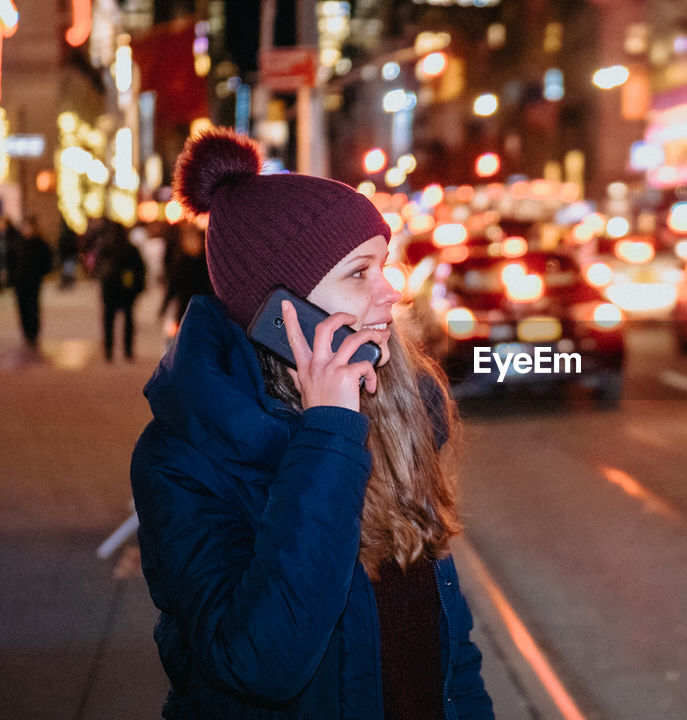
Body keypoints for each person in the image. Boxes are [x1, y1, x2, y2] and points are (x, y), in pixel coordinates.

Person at [130, 128, 493, 719]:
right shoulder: (183, 458)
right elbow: (260, 664)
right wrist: (328, 433)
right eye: (359, 273)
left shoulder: (399, 406)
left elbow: (449, 647)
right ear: (281, 312)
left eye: (385, 264)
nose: (392, 292)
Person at [90, 216, 147, 361]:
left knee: (109, 320)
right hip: (126, 289)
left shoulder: (105, 247)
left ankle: (109, 350)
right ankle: (127, 351)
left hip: (109, 289)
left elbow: (96, 268)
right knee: (128, 319)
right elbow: (140, 268)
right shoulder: (129, 247)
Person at [158, 221, 214, 334]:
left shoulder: (207, 262)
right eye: (187, 239)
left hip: (205, 310)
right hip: (185, 310)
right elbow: (173, 286)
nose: (190, 243)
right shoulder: (182, 262)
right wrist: (164, 307)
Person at [10, 216, 53, 350]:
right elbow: (11, 260)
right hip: (19, 282)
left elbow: (48, 260)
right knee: (22, 307)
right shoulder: (19, 242)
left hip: (33, 281)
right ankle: (27, 332)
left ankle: (33, 333)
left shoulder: (39, 243)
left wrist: (40, 274)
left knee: (32, 306)